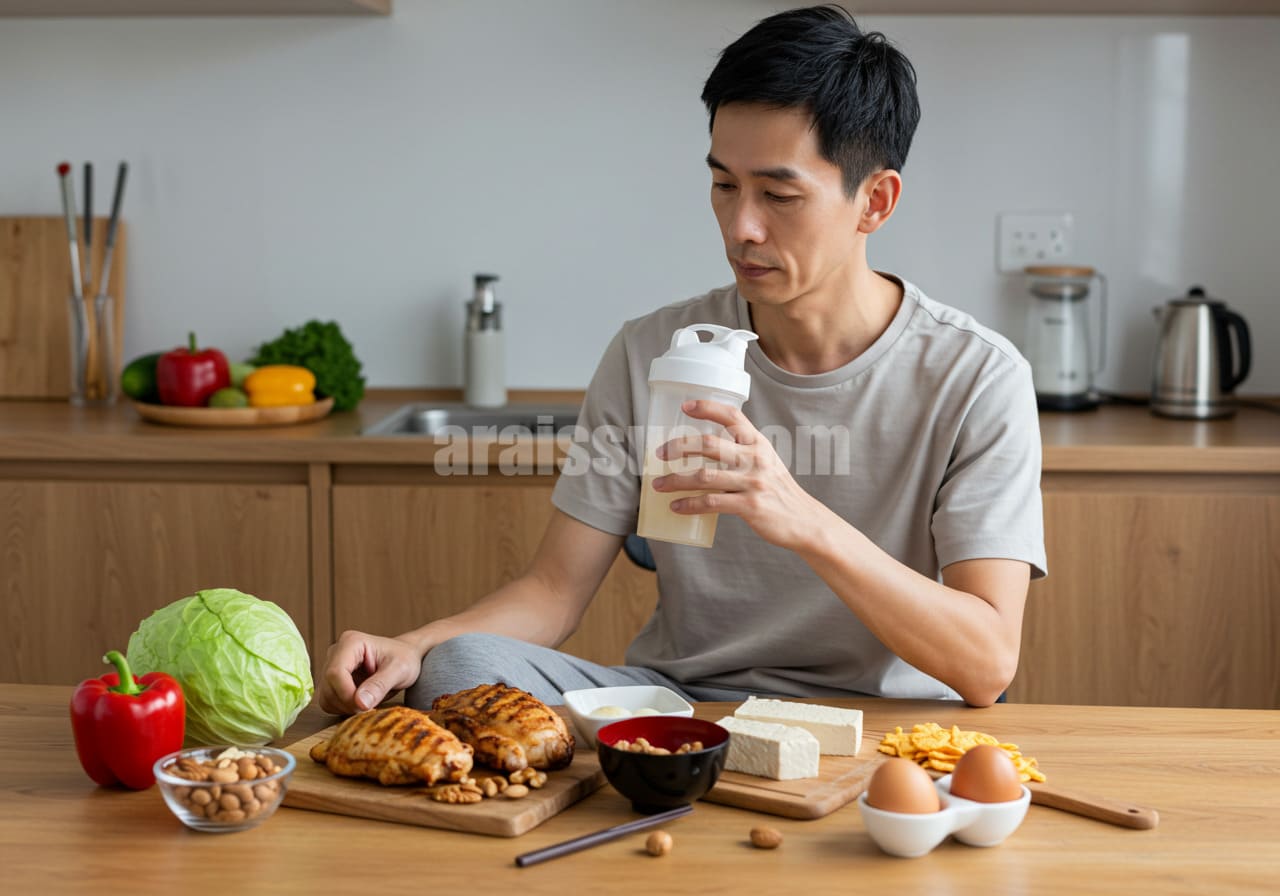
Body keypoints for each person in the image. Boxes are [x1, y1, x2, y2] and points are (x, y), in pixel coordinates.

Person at [318, 5, 1046, 716]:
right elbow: (551, 593)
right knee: (457, 667)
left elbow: (984, 664)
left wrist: (800, 519)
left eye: (779, 194)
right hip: (683, 707)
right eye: (724, 185)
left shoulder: (976, 377)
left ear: (875, 202)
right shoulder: (650, 353)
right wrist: (410, 645)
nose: (741, 227)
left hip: (881, 722)